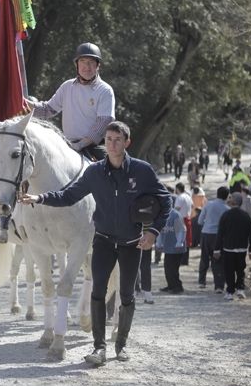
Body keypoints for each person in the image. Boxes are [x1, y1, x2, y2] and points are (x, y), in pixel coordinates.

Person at [19, 121, 171, 366]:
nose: (112, 144)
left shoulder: (142, 171)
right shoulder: (94, 172)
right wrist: (39, 197)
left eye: (117, 140)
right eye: (108, 139)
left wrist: (153, 231)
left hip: (131, 242)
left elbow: (165, 202)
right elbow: (68, 195)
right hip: (103, 241)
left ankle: (120, 345)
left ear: (127, 143)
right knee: (98, 292)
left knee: (127, 294)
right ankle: (99, 347)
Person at [23, 42, 115, 161]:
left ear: (98, 66)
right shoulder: (67, 86)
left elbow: (103, 122)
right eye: (83, 62)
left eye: (91, 62)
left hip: (94, 146)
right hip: (68, 145)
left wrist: (81, 144)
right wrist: (23, 103)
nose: (87, 67)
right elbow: (47, 110)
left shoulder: (105, 90)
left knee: (111, 172)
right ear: (76, 64)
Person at [213, 192, 251, 300]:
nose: (229, 199)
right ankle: (240, 289)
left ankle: (230, 291)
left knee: (229, 270)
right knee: (241, 270)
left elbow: (220, 234)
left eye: (231, 198)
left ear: (234, 202)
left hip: (228, 248)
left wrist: (217, 249)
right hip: (242, 248)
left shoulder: (226, 215)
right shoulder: (246, 216)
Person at [197, 186, 230, 291]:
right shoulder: (227, 209)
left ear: (217, 194)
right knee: (218, 260)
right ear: (227, 196)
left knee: (204, 258)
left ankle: (202, 282)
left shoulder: (208, 205)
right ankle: (219, 286)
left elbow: (200, 221)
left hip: (206, 234)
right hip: (219, 237)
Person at [156, 203, 186, 294]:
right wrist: (159, 243)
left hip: (176, 247)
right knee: (167, 267)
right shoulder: (161, 215)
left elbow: (181, 230)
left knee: (173, 268)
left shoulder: (175, 215)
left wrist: (179, 242)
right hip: (168, 246)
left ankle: (177, 287)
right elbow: (159, 230)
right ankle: (171, 285)